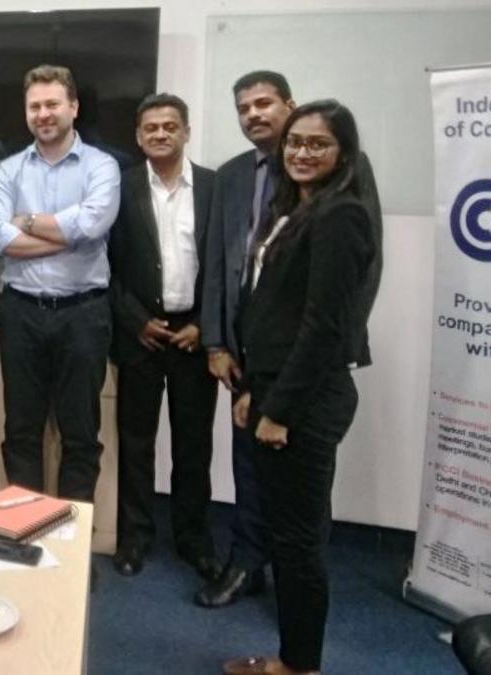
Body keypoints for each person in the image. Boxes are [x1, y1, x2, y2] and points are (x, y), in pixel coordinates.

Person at [197, 71, 382, 608]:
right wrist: (218, 343)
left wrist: (335, 346)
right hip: (250, 357)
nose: (254, 114)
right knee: (250, 469)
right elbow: (223, 265)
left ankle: (295, 587)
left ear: (289, 104)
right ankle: (247, 563)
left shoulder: (341, 191)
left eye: (264, 103)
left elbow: (359, 278)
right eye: (243, 107)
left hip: (307, 365)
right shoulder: (237, 176)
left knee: (300, 497)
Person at [0, 64, 119, 501]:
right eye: (34, 106)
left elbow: (92, 224)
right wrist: (64, 236)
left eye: (52, 104)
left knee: (81, 436)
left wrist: (25, 222)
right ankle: (25, 530)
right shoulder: (10, 170)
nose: (43, 114)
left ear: (73, 107)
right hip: (21, 312)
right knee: (21, 432)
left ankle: (72, 536)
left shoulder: (102, 166)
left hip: (84, 314)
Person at [109, 94, 220, 580]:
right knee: (136, 443)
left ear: (186, 131)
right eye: (150, 128)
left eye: (169, 126)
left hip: (193, 335)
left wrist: (205, 324)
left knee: (194, 445)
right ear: (138, 136)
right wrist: (135, 320)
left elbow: (224, 265)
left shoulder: (215, 187)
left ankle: (193, 538)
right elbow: (105, 264)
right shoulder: (120, 187)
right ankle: (135, 536)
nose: (160, 134)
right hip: (142, 335)